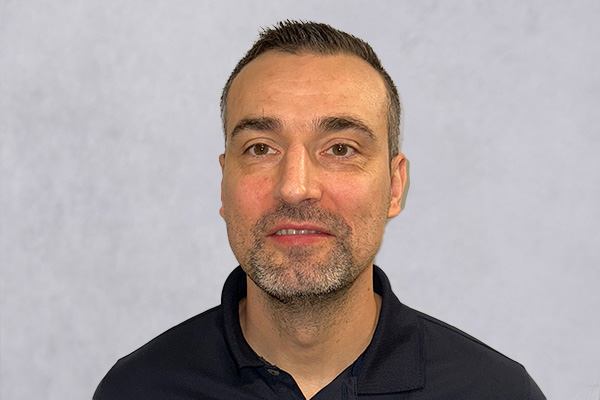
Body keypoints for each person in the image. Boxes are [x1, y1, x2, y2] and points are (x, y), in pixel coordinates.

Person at [94, 21, 545, 399]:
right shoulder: (138, 390)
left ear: (395, 186)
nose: (295, 188)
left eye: (341, 149)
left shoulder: (496, 392)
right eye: (261, 148)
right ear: (224, 183)